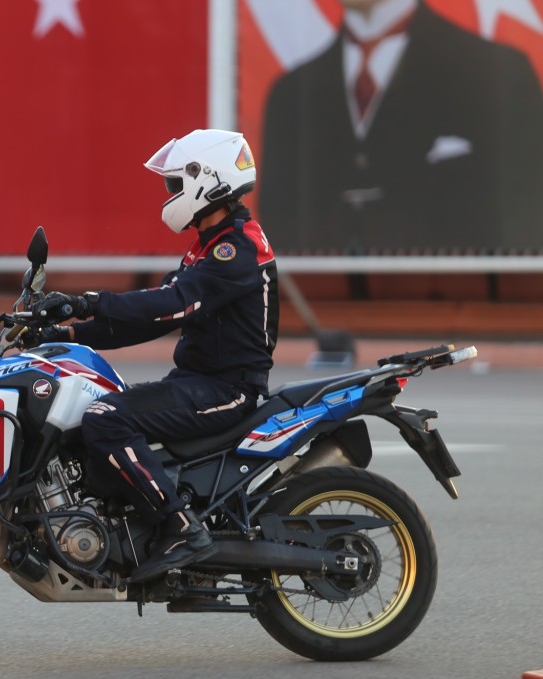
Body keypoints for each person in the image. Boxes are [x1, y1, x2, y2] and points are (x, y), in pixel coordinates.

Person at [29, 129, 279, 582]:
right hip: (195, 381)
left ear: (209, 180)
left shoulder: (236, 247)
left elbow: (172, 303)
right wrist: (63, 330)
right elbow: (151, 319)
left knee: (105, 416)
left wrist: (87, 300)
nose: (170, 195)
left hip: (228, 388)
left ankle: (180, 527)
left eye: (176, 184)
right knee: (94, 406)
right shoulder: (208, 244)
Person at [259, 0, 543, 252]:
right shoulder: (291, 95)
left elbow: (528, 213)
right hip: (321, 307)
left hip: (460, 305)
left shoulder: (498, 74)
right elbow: (278, 235)